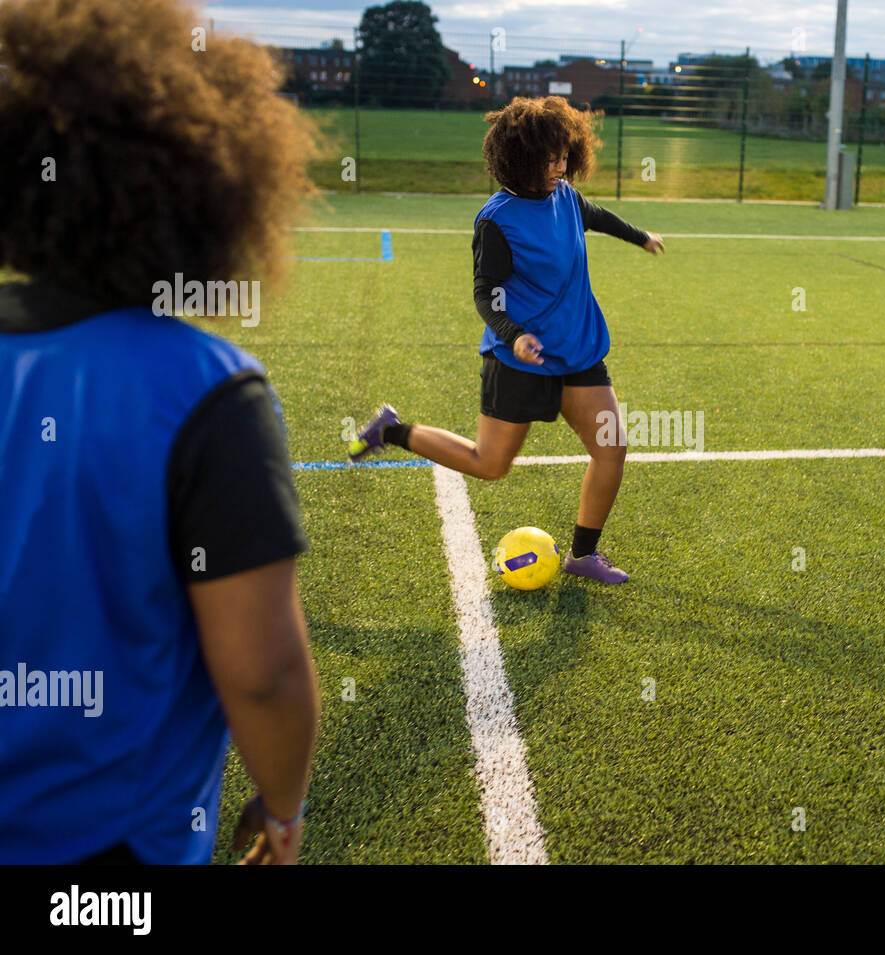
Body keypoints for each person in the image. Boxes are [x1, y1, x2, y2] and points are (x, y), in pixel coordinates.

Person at [0, 0, 320, 863]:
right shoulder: (206, 390)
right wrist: (281, 807)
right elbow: (263, 672)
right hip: (109, 857)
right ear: (213, 179)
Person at [348, 96, 665, 585]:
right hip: (519, 360)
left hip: (578, 351)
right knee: (489, 465)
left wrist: (639, 235)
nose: (560, 167)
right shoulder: (496, 219)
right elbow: (485, 293)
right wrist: (514, 337)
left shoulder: (565, 196)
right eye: (549, 159)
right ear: (518, 160)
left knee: (612, 448)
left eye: (564, 156)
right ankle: (390, 431)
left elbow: (596, 216)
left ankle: (583, 555)